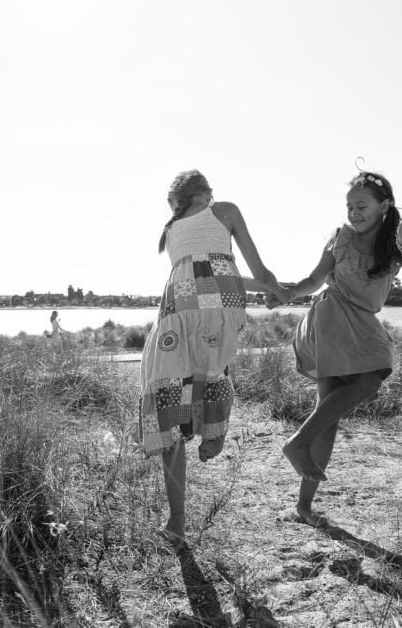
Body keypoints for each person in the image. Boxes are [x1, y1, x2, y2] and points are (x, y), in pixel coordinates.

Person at [269, 164, 402, 527]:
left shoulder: (394, 242)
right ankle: (301, 475)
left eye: (362, 207)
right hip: (330, 316)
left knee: (334, 411)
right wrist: (287, 294)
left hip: (361, 321)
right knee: (357, 391)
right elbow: (313, 279)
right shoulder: (340, 237)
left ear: (384, 205)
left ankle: (301, 485)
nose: (354, 214)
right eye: (350, 207)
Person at [141, 169, 289, 547]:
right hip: (222, 308)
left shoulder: (171, 231)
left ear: (176, 203)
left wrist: (271, 288)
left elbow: (199, 273)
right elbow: (245, 272)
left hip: (178, 309)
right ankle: (213, 431)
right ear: (206, 194)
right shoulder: (224, 211)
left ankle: (176, 519)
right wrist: (276, 290)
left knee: (169, 391)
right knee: (213, 370)